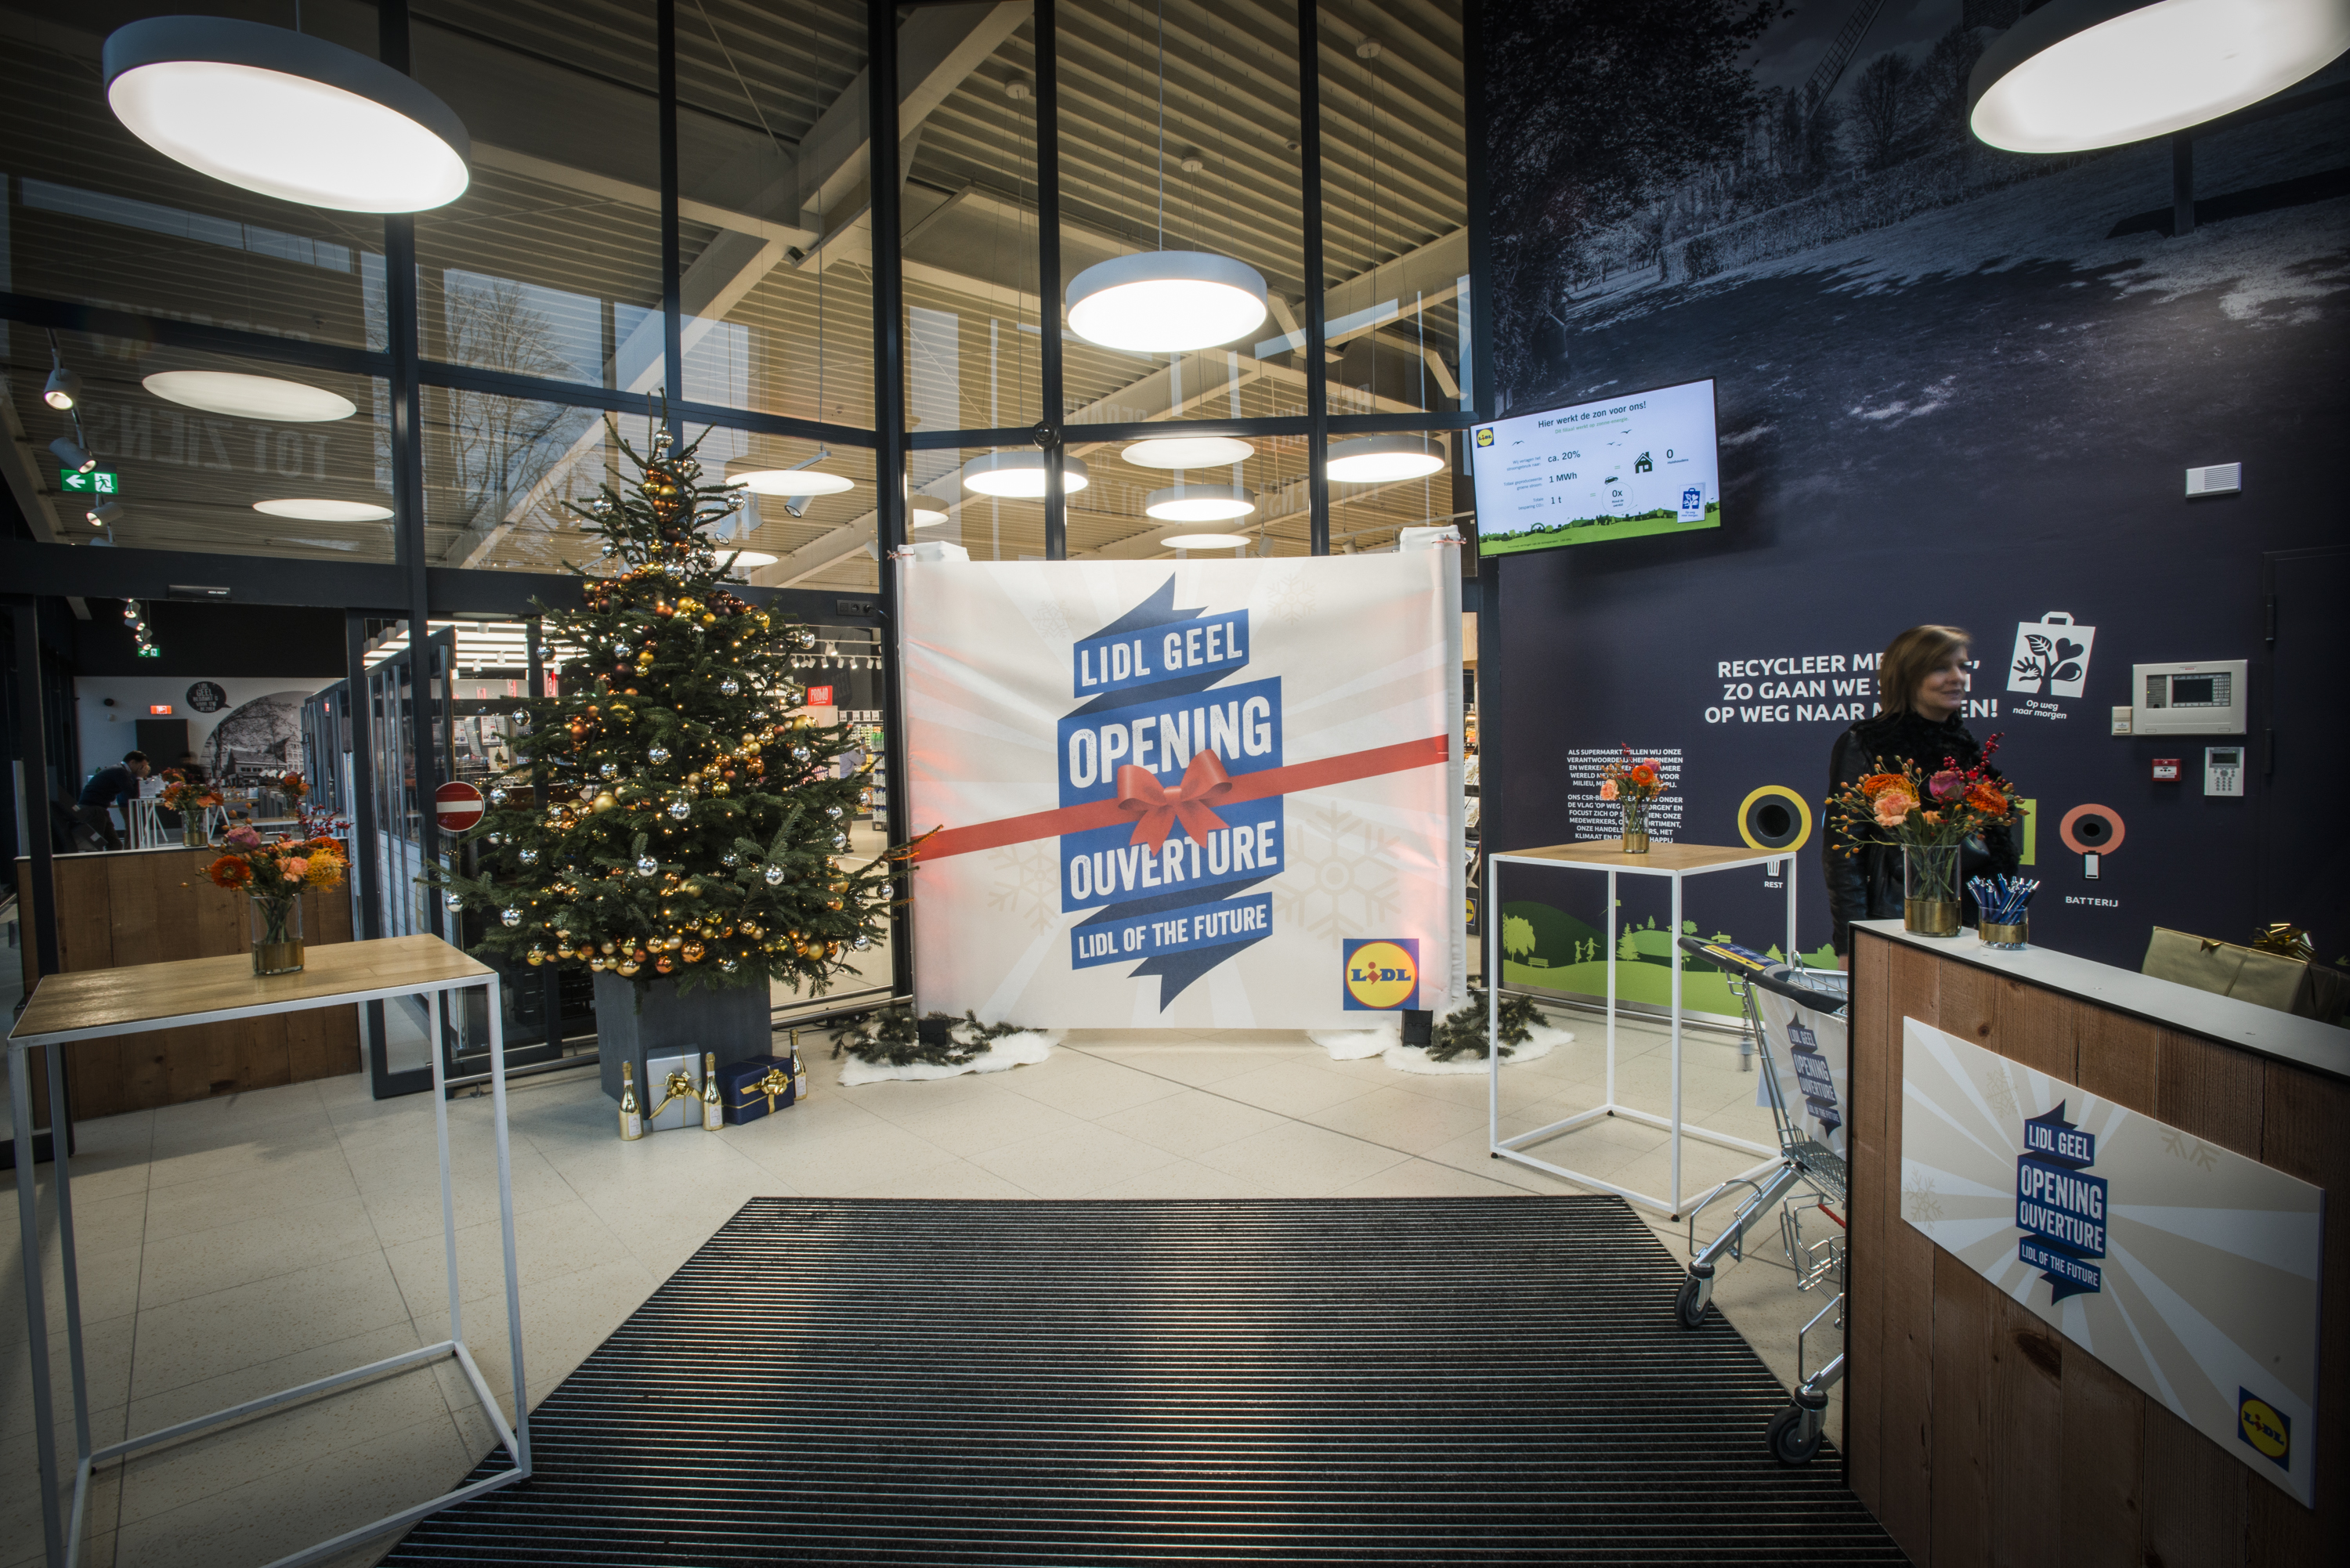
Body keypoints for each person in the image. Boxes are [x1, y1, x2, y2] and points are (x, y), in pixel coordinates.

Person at [1826, 626, 2019, 966]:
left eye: (1963, 666)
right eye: (1940, 668)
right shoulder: (1866, 742)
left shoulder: (1965, 747)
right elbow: (1844, 853)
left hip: (1973, 923)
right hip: (1898, 923)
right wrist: (1849, 943)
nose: (1958, 678)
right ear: (1907, 676)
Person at [75, 750, 152, 851]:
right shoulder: (120, 771)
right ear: (132, 762)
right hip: (93, 810)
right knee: (95, 846)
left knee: (115, 845)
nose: (143, 769)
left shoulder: (120, 770)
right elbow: (132, 794)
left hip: (98, 809)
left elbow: (132, 792)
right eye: (142, 766)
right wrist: (139, 777)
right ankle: (95, 862)